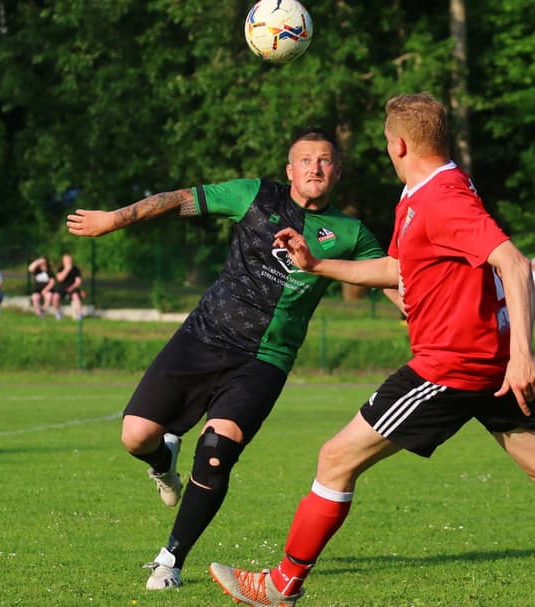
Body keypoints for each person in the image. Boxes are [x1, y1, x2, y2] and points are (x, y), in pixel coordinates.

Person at [209, 94, 535, 607]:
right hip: (484, 362)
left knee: (335, 458)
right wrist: (318, 265)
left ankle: (282, 585)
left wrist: (523, 354)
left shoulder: (443, 198)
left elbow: (513, 263)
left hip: (449, 366)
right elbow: (397, 269)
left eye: (387, 143)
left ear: (398, 145)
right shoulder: (424, 191)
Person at [65, 128, 388, 592]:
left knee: (217, 451)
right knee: (135, 436)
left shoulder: (350, 232)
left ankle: (170, 560)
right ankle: (163, 460)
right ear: (290, 170)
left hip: (264, 359)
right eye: (305, 160)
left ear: (336, 172)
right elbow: (180, 199)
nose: (315, 167)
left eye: (324, 160)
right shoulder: (253, 195)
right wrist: (113, 220)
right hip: (202, 336)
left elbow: (390, 277)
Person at [51, 254, 83, 321]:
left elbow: (78, 281)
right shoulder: (60, 269)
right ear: (63, 261)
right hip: (62, 287)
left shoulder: (76, 269)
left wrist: (72, 287)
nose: (68, 261)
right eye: (66, 260)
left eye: (69, 260)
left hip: (72, 287)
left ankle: (79, 315)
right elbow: (59, 279)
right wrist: (67, 270)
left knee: (76, 296)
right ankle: (58, 313)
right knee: (55, 297)